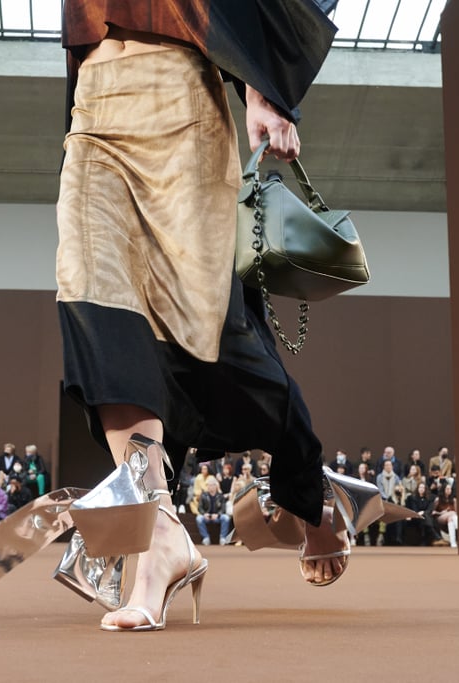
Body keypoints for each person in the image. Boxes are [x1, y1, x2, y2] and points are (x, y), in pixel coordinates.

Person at [39, 0, 347, 632]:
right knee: (92, 295)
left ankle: (309, 493)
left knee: (211, 341)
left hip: (182, 97)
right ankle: (157, 539)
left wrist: (264, 89)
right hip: (94, 102)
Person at [194, 476, 230, 545]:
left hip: (217, 517)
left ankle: (223, 538)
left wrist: (218, 515)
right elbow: (199, 507)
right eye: (209, 485)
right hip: (206, 517)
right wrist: (204, 514)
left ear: (216, 486)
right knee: (198, 518)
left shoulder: (220, 496)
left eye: (212, 485)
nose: (210, 487)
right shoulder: (203, 495)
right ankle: (206, 537)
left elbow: (223, 508)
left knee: (226, 518)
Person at [404, 481, 434, 546]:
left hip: (425, 517)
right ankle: (434, 534)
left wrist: (423, 512)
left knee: (425, 517)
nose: (421, 489)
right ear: (417, 488)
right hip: (415, 516)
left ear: (425, 489)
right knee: (423, 518)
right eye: (420, 487)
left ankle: (424, 538)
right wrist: (419, 513)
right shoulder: (413, 498)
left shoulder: (429, 498)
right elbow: (414, 509)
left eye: (423, 488)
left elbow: (429, 509)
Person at [431, 483, 459, 548]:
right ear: (443, 489)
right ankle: (458, 527)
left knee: (451, 518)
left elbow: (456, 513)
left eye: (450, 489)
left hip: (451, 518)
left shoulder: (454, 500)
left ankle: (453, 542)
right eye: (447, 489)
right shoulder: (438, 499)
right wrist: (441, 513)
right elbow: (433, 512)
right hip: (440, 518)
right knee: (452, 513)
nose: (449, 490)